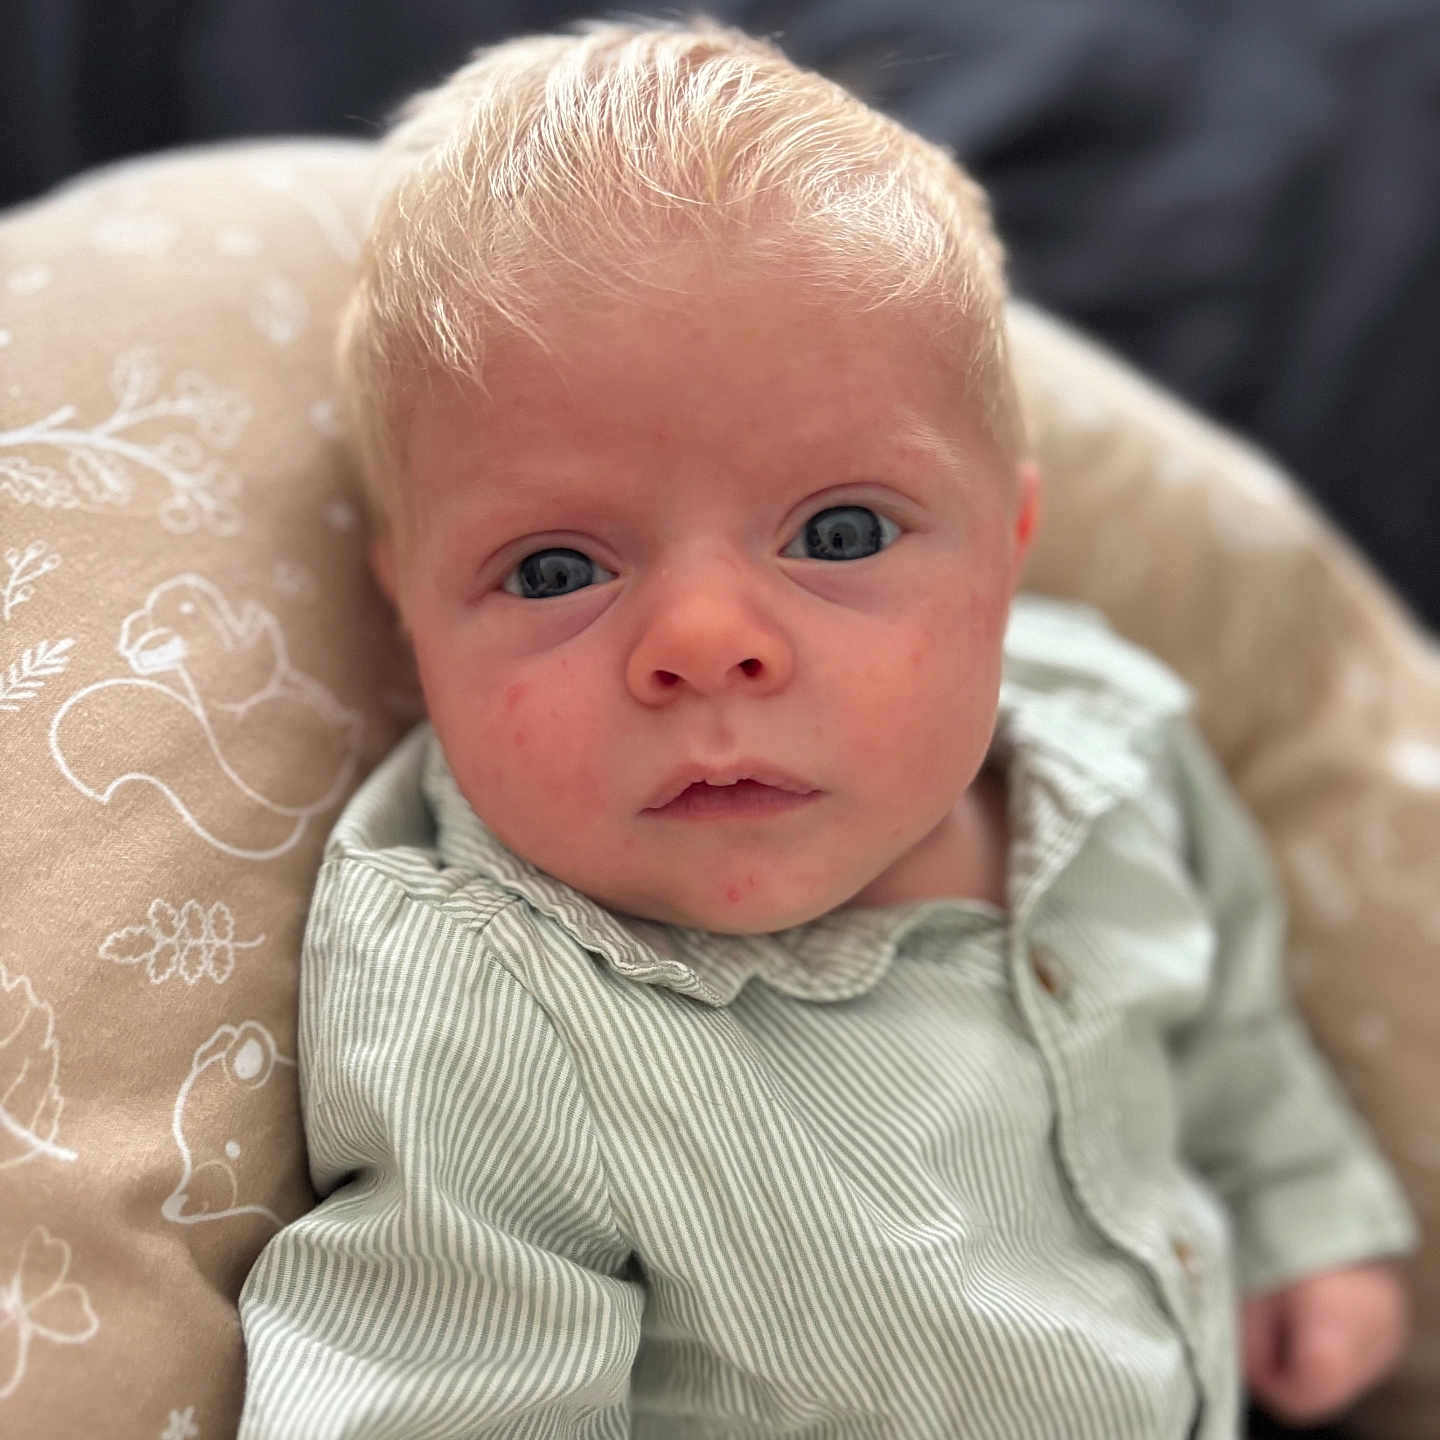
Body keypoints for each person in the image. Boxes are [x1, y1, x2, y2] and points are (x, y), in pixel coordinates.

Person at [237, 20, 1415, 1438]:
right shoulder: (493, 999)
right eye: (556, 570)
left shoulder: (1112, 744)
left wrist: (1297, 1221)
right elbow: (432, 1384)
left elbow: (1222, 1016)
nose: (703, 641)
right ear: (413, 611)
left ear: (1006, 552)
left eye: (840, 531)